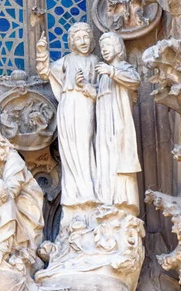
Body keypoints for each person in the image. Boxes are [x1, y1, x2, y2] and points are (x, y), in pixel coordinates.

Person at [36, 22, 98, 214]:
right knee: (69, 149)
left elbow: (104, 92)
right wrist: (41, 52)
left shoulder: (95, 62)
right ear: (71, 42)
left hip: (86, 106)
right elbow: (45, 72)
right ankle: (74, 195)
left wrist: (86, 84)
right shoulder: (66, 61)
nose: (83, 41)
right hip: (68, 107)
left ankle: (89, 192)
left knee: (85, 147)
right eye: (78, 38)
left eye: (86, 37)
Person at [0, 126, 44, 258]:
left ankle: (6, 248)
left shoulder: (12, 157)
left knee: (4, 204)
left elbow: (13, 187)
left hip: (24, 198)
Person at [95, 32, 141, 214]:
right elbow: (100, 97)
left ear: (118, 47)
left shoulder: (123, 68)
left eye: (108, 45)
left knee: (120, 159)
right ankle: (108, 199)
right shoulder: (103, 77)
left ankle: (124, 202)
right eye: (102, 47)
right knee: (106, 159)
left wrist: (112, 72)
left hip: (119, 123)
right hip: (104, 126)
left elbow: (135, 81)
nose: (104, 50)